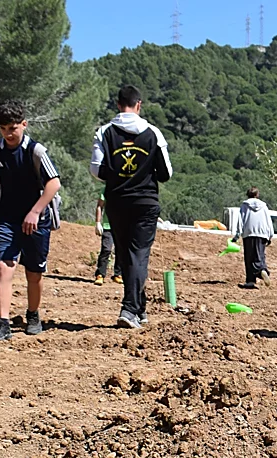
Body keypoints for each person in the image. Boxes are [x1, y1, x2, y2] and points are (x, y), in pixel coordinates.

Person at [90, 84, 173, 329]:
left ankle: (140, 308)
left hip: (116, 202)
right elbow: (166, 173)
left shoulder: (104, 132)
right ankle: (130, 309)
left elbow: (96, 169)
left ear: (118, 104)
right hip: (145, 202)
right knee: (138, 255)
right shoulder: (153, 133)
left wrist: (116, 176)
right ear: (139, 105)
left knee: (127, 256)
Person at [0, 100, 62, 341]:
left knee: (34, 274)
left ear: (24, 124)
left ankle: (33, 315)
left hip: (37, 221)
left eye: (13, 128)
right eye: (3, 129)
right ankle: (2, 322)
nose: (8, 133)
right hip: (7, 219)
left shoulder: (36, 151)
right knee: (4, 267)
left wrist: (35, 212)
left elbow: (53, 183)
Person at [235, 187, 273, 290]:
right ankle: (262, 269)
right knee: (260, 254)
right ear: (257, 195)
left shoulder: (244, 205)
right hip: (262, 233)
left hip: (249, 233)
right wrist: (270, 235)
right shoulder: (264, 206)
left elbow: (240, 220)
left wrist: (237, 234)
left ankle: (251, 280)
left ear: (247, 195)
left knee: (249, 257)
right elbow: (268, 221)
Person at [93, 189, 123, 286]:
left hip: (122, 226)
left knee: (121, 250)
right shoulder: (106, 189)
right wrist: (98, 223)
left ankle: (118, 274)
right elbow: (100, 206)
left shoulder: (127, 188)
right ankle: (100, 275)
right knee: (106, 249)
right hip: (108, 225)